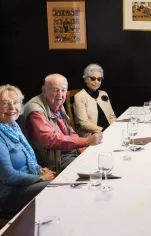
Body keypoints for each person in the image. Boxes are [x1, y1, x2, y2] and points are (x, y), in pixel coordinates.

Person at [24, 74, 102, 170]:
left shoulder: (56, 104)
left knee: (100, 158)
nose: (60, 95)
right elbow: (49, 139)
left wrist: (82, 147)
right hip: (55, 160)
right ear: (44, 91)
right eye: (55, 90)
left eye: (63, 90)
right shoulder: (35, 110)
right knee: (89, 169)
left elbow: (69, 131)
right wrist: (86, 141)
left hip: (68, 151)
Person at [0, 85, 55, 215]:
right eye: (5, 103)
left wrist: (39, 168)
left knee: (60, 184)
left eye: (15, 103)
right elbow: (9, 177)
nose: (12, 108)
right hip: (9, 193)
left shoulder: (14, 127)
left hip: (25, 184)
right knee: (54, 188)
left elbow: (26, 159)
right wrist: (40, 178)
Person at [73, 64, 116, 137]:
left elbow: (112, 116)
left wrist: (113, 128)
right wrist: (103, 130)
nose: (96, 81)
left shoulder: (103, 93)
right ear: (86, 79)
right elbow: (84, 124)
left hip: (107, 131)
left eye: (99, 79)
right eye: (93, 78)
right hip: (91, 134)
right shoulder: (79, 97)